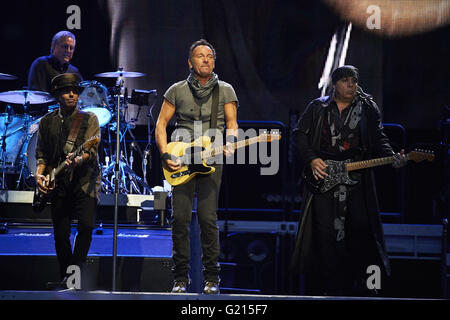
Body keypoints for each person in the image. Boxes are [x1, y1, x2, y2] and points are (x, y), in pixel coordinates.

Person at [290, 65, 407, 296]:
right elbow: (299, 136)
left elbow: (379, 139)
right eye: (345, 81)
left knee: (360, 231)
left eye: (354, 81)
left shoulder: (368, 108)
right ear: (335, 84)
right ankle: (330, 288)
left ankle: (362, 288)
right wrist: (312, 160)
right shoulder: (318, 107)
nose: (351, 85)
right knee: (324, 234)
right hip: (323, 176)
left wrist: (392, 158)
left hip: (356, 177)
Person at [155, 39, 238, 294]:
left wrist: (231, 143)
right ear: (190, 62)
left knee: (207, 218)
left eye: (210, 56)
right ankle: (180, 278)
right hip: (180, 159)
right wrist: (165, 153)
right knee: (179, 218)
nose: (206, 60)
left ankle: (212, 278)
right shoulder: (177, 90)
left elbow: (232, 126)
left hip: (211, 160)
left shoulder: (225, 90)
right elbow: (161, 125)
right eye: (200, 56)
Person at [35, 73, 100, 289]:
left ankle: (73, 277)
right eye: (66, 91)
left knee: (87, 226)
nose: (71, 94)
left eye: (74, 90)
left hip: (84, 180)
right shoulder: (46, 122)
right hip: (58, 183)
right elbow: (42, 154)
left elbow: (91, 151)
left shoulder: (89, 119)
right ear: (57, 95)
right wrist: (39, 173)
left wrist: (78, 160)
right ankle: (68, 278)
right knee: (61, 234)